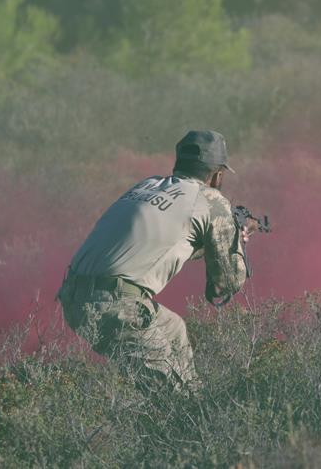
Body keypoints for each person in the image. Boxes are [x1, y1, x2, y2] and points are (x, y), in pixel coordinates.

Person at [56, 130, 256, 393]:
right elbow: (228, 281)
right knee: (175, 402)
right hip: (115, 307)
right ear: (218, 175)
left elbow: (169, 244)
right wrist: (235, 241)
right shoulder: (210, 199)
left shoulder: (146, 186)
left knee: (173, 330)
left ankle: (189, 397)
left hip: (74, 297)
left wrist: (213, 243)